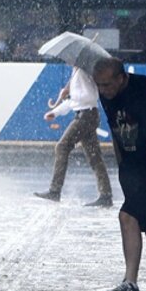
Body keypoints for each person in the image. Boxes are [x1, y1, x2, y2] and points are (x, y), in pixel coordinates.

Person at [92, 57, 146, 291]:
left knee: (127, 216)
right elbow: (116, 133)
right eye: (99, 85)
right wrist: (123, 167)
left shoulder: (145, 90)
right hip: (132, 170)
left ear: (121, 77)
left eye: (107, 84)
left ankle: (130, 283)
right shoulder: (107, 95)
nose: (103, 90)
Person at [33, 66, 113, 207]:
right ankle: (106, 195)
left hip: (86, 116)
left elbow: (89, 96)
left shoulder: (84, 70)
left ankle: (55, 190)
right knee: (95, 157)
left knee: (62, 147)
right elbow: (74, 101)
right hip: (86, 115)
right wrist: (56, 111)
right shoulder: (77, 72)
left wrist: (70, 92)